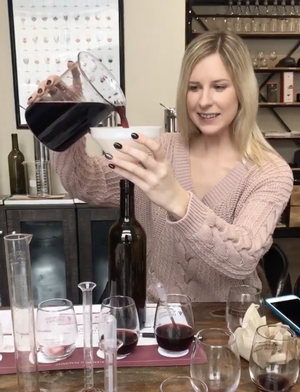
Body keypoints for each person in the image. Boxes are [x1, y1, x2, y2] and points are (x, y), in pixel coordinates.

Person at [29, 31, 293, 302]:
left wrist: (176, 199)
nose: (203, 101)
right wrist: (67, 123)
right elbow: (84, 182)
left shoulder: (269, 172)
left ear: (242, 91)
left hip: (225, 324)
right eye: (194, 87)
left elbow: (242, 260)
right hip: (158, 321)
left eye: (219, 86)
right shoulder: (159, 149)